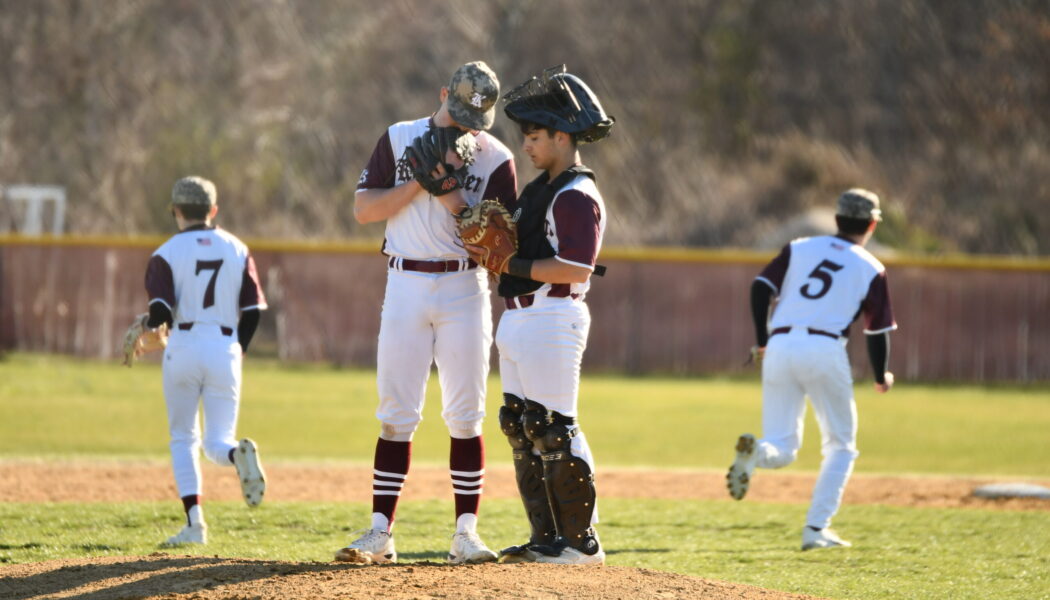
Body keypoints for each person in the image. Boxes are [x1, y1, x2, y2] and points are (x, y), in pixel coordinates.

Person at [336, 61, 517, 565]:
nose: (464, 126)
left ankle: (465, 534)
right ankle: (380, 531)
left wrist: (450, 194)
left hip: (464, 284)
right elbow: (364, 210)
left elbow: (499, 249)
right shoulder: (399, 137)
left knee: (466, 415)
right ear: (442, 94)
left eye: (474, 119)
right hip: (406, 281)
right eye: (457, 112)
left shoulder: (495, 156)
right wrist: (418, 183)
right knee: (395, 414)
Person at [475, 65, 614, 566]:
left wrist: (508, 261)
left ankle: (580, 543)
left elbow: (577, 265)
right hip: (520, 316)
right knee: (522, 424)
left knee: (555, 426)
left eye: (535, 136)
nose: (527, 145)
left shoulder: (575, 193)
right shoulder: (542, 189)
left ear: (562, 135)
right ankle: (547, 539)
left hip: (553, 315)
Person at [727, 188, 897, 550]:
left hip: (782, 344)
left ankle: (756, 451)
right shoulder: (871, 266)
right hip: (824, 347)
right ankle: (816, 529)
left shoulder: (799, 247)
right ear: (871, 224)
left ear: (837, 219)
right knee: (841, 446)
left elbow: (760, 287)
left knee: (782, 445)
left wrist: (762, 340)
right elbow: (877, 329)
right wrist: (881, 374)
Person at [144, 176, 268, 546]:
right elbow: (254, 312)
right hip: (225, 346)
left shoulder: (165, 253)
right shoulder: (237, 248)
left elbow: (161, 312)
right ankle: (236, 454)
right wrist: (237, 349)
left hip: (183, 344)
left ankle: (195, 524)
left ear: (176, 211)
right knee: (217, 442)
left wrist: (146, 327)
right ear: (213, 211)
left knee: (184, 438)